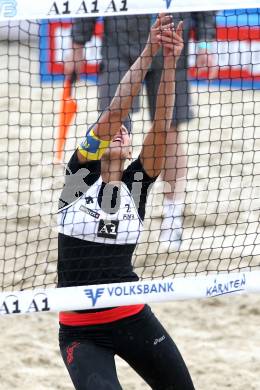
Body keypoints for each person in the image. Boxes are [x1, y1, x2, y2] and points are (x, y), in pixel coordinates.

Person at [58, 14, 195, 390]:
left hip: (132, 316)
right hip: (82, 332)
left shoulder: (136, 184)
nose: (120, 130)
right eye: (111, 130)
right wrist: (150, 49)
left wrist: (170, 64)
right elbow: (117, 110)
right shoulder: (79, 178)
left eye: (125, 132)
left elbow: (161, 124)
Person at [65, 12, 216, 252]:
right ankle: (107, 214)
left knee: (168, 131)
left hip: (170, 35)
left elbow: (203, 7)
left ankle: (173, 218)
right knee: (112, 127)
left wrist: (206, 42)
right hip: (120, 40)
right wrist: (77, 43)